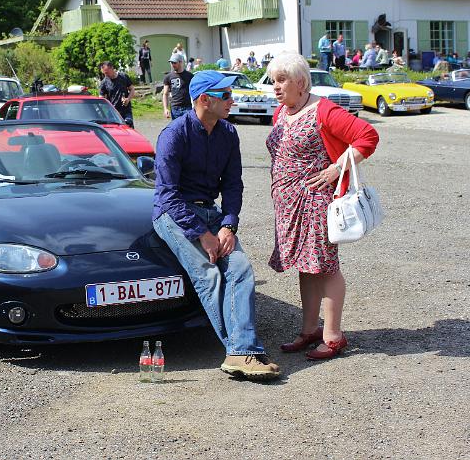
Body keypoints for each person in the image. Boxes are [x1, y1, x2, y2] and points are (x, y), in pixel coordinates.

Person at [152, 70, 280, 380]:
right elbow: (167, 195)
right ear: (204, 100)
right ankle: (243, 351)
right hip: (174, 215)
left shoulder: (228, 133)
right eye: (226, 96)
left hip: (212, 213)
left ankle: (240, 351)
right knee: (209, 275)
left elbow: (233, 185)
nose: (232, 101)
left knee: (239, 270)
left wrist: (228, 226)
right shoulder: (174, 134)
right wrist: (201, 234)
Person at [265, 52, 379, 360]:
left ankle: (333, 335)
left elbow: (367, 136)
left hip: (315, 202)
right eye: (273, 81)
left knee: (325, 266)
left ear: (300, 82)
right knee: (306, 266)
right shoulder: (283, 112)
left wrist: (335, 169)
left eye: (281, 80)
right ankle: (310, 329)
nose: (275, 87)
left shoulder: (323, 110)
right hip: (289, 204)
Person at [162, 53, 194, 120]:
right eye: (171, 63)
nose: (172, 65)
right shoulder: (168, 77)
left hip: (187, 108)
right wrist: (165, 108)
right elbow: (165, 94)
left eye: (174, 63)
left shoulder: (190, 76)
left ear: (180, 62)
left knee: (188, 129)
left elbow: (195, 91)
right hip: (175, 108)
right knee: (177, 129)